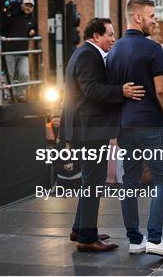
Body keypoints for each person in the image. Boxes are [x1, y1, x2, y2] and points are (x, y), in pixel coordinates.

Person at [60, 17, 144, 252]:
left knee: (90, 180)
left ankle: (81, 228)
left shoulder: (83, 52)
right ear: (96, 35)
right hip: (89, 130)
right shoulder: (88, 55)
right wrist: (122, 91)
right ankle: (87, 238)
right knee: (93, 182)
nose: (113, 39)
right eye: (109, 34)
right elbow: (91, 89)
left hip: (86, 129)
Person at [107, 0, 163, 257]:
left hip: (126, 127)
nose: (154, 21)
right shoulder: (153, 48)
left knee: (130, 181)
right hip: (152, 125)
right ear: (137, 17)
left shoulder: (113, 51)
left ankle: (135, 240)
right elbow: (161, 89)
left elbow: (112, 92)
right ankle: (155, 239)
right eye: (151, 16)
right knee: (162, 180)